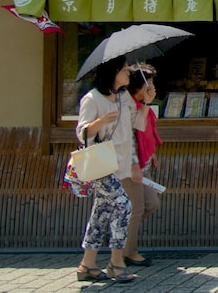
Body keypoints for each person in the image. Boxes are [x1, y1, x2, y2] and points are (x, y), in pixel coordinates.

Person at [75, 56, 146, 283]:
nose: (128, 73)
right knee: (123, 205)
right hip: (100, 164)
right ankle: (116, 262)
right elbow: (82, 133)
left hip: (120, 163)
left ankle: (87, 264)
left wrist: (134, 163)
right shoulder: (92, 98)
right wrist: (101, 121)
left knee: (102, 212)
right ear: (112, 71)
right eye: (124, 69)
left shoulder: (123, 97)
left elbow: (131, 131)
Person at [121, 64, 162, 268]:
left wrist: (151, 152)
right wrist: (146, 103)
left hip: (140, 162)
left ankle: (121, 239)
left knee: (151, 203)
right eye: (149, 84)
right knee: (136, 208)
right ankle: (128, 252)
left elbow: (144, 132)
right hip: (128, 164)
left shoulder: (138, 104)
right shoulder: (127, 105)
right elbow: (134, 130)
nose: (152, 88)